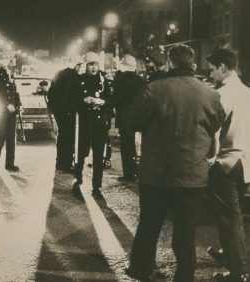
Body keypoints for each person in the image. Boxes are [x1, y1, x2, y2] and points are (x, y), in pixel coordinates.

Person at [124, 44, 225, 282]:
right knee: (186, 231)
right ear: (192, 63)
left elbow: (130, 122)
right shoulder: (210, 94)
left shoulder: (154, 90)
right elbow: (217, 124)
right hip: (192, 175)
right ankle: (184, 276)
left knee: (149, 224)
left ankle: (141, 269)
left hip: (156, 174)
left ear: (169, 63)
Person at [205, 48, 250, 282]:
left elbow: (214, 132)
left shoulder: (223, 95)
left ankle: (238, 271)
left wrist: (211, 160)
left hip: (227, 162)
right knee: (231, 214)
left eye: (212, 70)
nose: (210, 75)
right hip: (247, 162)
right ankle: (226, 252)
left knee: (229, 218)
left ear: (222, 68)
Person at [72, 52, 112, 200]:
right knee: (81, 155)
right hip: (83, 123)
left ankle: (97, 187)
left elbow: (110, 100)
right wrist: (84, 100)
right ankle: (78, 181)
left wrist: (103, 103)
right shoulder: (79, 80)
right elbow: (71, 100)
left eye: (96, 64)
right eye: (91, 64)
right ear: (86, 66)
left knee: (98, 157)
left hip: (99, 124)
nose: (94, 67)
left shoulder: (103, 80)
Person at [46, 55, 83, 172]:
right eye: (79, 65)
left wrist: (53, 108)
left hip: (59, 111)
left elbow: (50, 94)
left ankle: (60, 163)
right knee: (69, 137)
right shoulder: (75, 76)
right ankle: (67, 164)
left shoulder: (58, 74)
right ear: (75, 65)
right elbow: (75, 95)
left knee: (62, 136)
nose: (80, 68)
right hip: (69, 110)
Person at [113, 54, 146, 182]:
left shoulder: (121, 79)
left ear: (124, 65)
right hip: (137, 116)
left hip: (124, 116)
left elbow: (117, 98)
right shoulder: (140, 80)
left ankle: (129, 173)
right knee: (137, 145)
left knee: (126, 146)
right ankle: (138, 171)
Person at [0, 63, 21, 173]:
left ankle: (10, 164)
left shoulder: (10, 74)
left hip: (12, 111)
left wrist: (18, 105)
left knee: (11, 138)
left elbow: (14, 93)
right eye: (6, 59)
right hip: (2, 111)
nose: (9, 62)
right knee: (1, 136)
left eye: (11, 59)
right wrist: (7, 104)